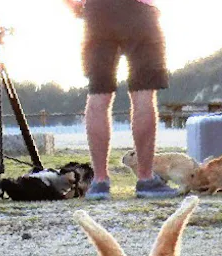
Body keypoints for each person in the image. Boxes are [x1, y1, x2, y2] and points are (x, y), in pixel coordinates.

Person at [65, 0, 179, 200]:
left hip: (98, 12)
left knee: (98, 95)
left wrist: (72, 4)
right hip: (139, 11)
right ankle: (145, 179)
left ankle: (100, 181)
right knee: (143, 95)